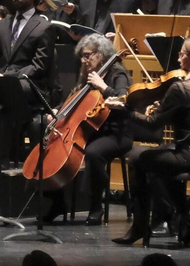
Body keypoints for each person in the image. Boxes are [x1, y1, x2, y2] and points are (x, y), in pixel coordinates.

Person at [114, 34, 190, 247]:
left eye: (182, 55)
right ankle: (182, 222)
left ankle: (141, 225)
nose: (178, 60)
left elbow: (152, 124)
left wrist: (125, 110)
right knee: (161, 159)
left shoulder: (182, 88)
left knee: (136, 158)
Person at [43, 34, 131, 226]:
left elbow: (124, 100)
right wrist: (59, 110)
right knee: (52, 148)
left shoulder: (118, 74)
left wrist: (103, 87)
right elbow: (74, 98)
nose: (84, 60)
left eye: (87, 55)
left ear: (101, 54)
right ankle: (57, 203)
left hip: (116, 132)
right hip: (90, 131)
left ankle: (95, 206)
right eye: (82, 56)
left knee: (93, 153)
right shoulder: (86, 75)